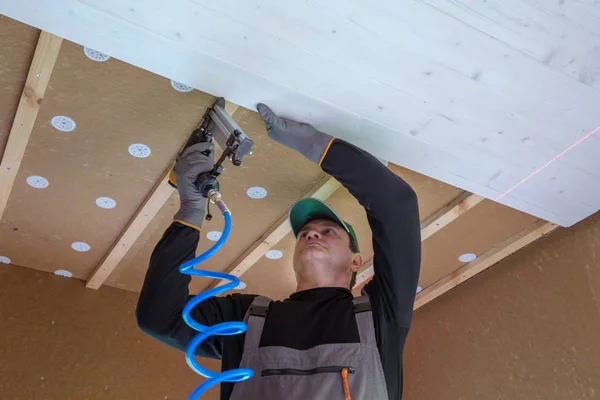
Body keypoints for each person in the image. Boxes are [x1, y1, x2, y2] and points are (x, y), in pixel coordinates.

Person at [136, 104, 421, 400]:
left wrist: (316, 145)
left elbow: (397, 205)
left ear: (355, 261)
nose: (311, 233)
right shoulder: (247, 319)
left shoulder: (381, 316)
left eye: (328, 231)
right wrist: (192, 209)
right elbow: (161, 317)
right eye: (304, 234)